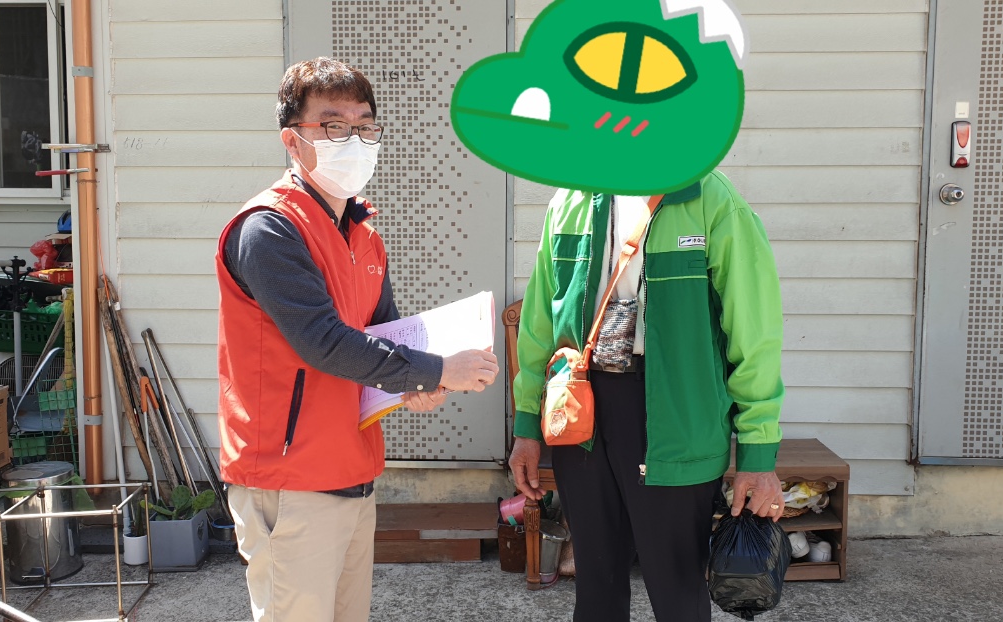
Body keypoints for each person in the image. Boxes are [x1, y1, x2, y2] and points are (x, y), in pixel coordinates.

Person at [215, 57, 498, 622]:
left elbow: (385, 333)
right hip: (291, 476)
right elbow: (322, 341)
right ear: (292, 140)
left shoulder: (363, 231)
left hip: (352, 466)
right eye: (334, 125)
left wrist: (413, 386)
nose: (355, 139)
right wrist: (437, 368)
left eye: (365, 126)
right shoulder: (269, 228)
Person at [508, 175, 786, 622]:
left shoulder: (711, 198)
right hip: (580, 416)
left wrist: (757, 451)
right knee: (595, 590)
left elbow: (755, 335)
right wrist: (526, 425)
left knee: (678, 593)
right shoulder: (570, 200)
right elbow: (539, 323)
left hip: (678, 420)